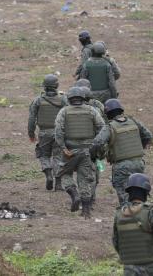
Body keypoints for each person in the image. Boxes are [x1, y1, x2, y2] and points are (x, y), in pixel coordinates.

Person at [54, 87, 106, 219]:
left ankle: (74, 194)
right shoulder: (92, 110)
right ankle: (86, 211)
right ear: (83, 98)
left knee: (64, 173)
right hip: (88, 151)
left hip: (70, 151)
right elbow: (102, 127)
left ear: (70, 98)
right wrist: (95, 145)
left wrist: (63, 147)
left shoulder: (64, 112)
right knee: (85, 179)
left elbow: (58, 131)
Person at [91, 99, 152, 204]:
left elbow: (97, 142)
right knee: (137, 191)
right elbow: (148, 135)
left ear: (107, 114)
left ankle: (128, 216)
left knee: (124, 197)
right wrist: (139, 147)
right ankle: (140, 213)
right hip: (139, 163)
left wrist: (94, 156)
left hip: (121, 166)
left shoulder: (110, 127)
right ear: (121, 110)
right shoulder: (133, 121)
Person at [113, 173, 153, 276]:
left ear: (129, 192)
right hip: (152, 267)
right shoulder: (150, 211)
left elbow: (116, 242)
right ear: (145, 192)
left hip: (129, 268)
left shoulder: (119, 214)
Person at [28, 74, 68, 191]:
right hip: (59, 133)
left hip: (44, 133)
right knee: (58, 157)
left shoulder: (38, 100)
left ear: (44, 87)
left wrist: (31, 133)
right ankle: (58, 184)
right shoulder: (63, 99)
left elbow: (31, 119)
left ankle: (48, 174)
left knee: (44, 155)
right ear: (57, 86)